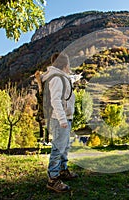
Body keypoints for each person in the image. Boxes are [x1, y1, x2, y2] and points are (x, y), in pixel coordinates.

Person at [41, 52, 79, 193]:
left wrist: (74, 78)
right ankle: (53, 179)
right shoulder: (56, 78)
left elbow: (66, 84)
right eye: (68, 64)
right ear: (64, 65)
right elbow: (55, 100)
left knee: (64, 147)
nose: (70, 66)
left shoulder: (61, 76)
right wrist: (62, 119)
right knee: (57, 149)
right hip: (59, 119)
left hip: (65, 118)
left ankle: (62, 170)